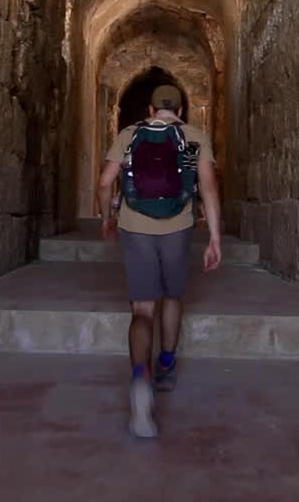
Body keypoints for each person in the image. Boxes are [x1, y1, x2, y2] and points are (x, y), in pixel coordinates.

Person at [97, 84, 222, 438]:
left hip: (134, 226)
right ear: (180, 111)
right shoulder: (194, 137)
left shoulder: (129, 134)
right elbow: (209, 188)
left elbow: (105, 182)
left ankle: (140, 377)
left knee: (142, 309)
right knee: (172, 296)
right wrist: (214, 237)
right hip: (178, 227)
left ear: (151, 110)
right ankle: (166, 364)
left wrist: (106, 217)